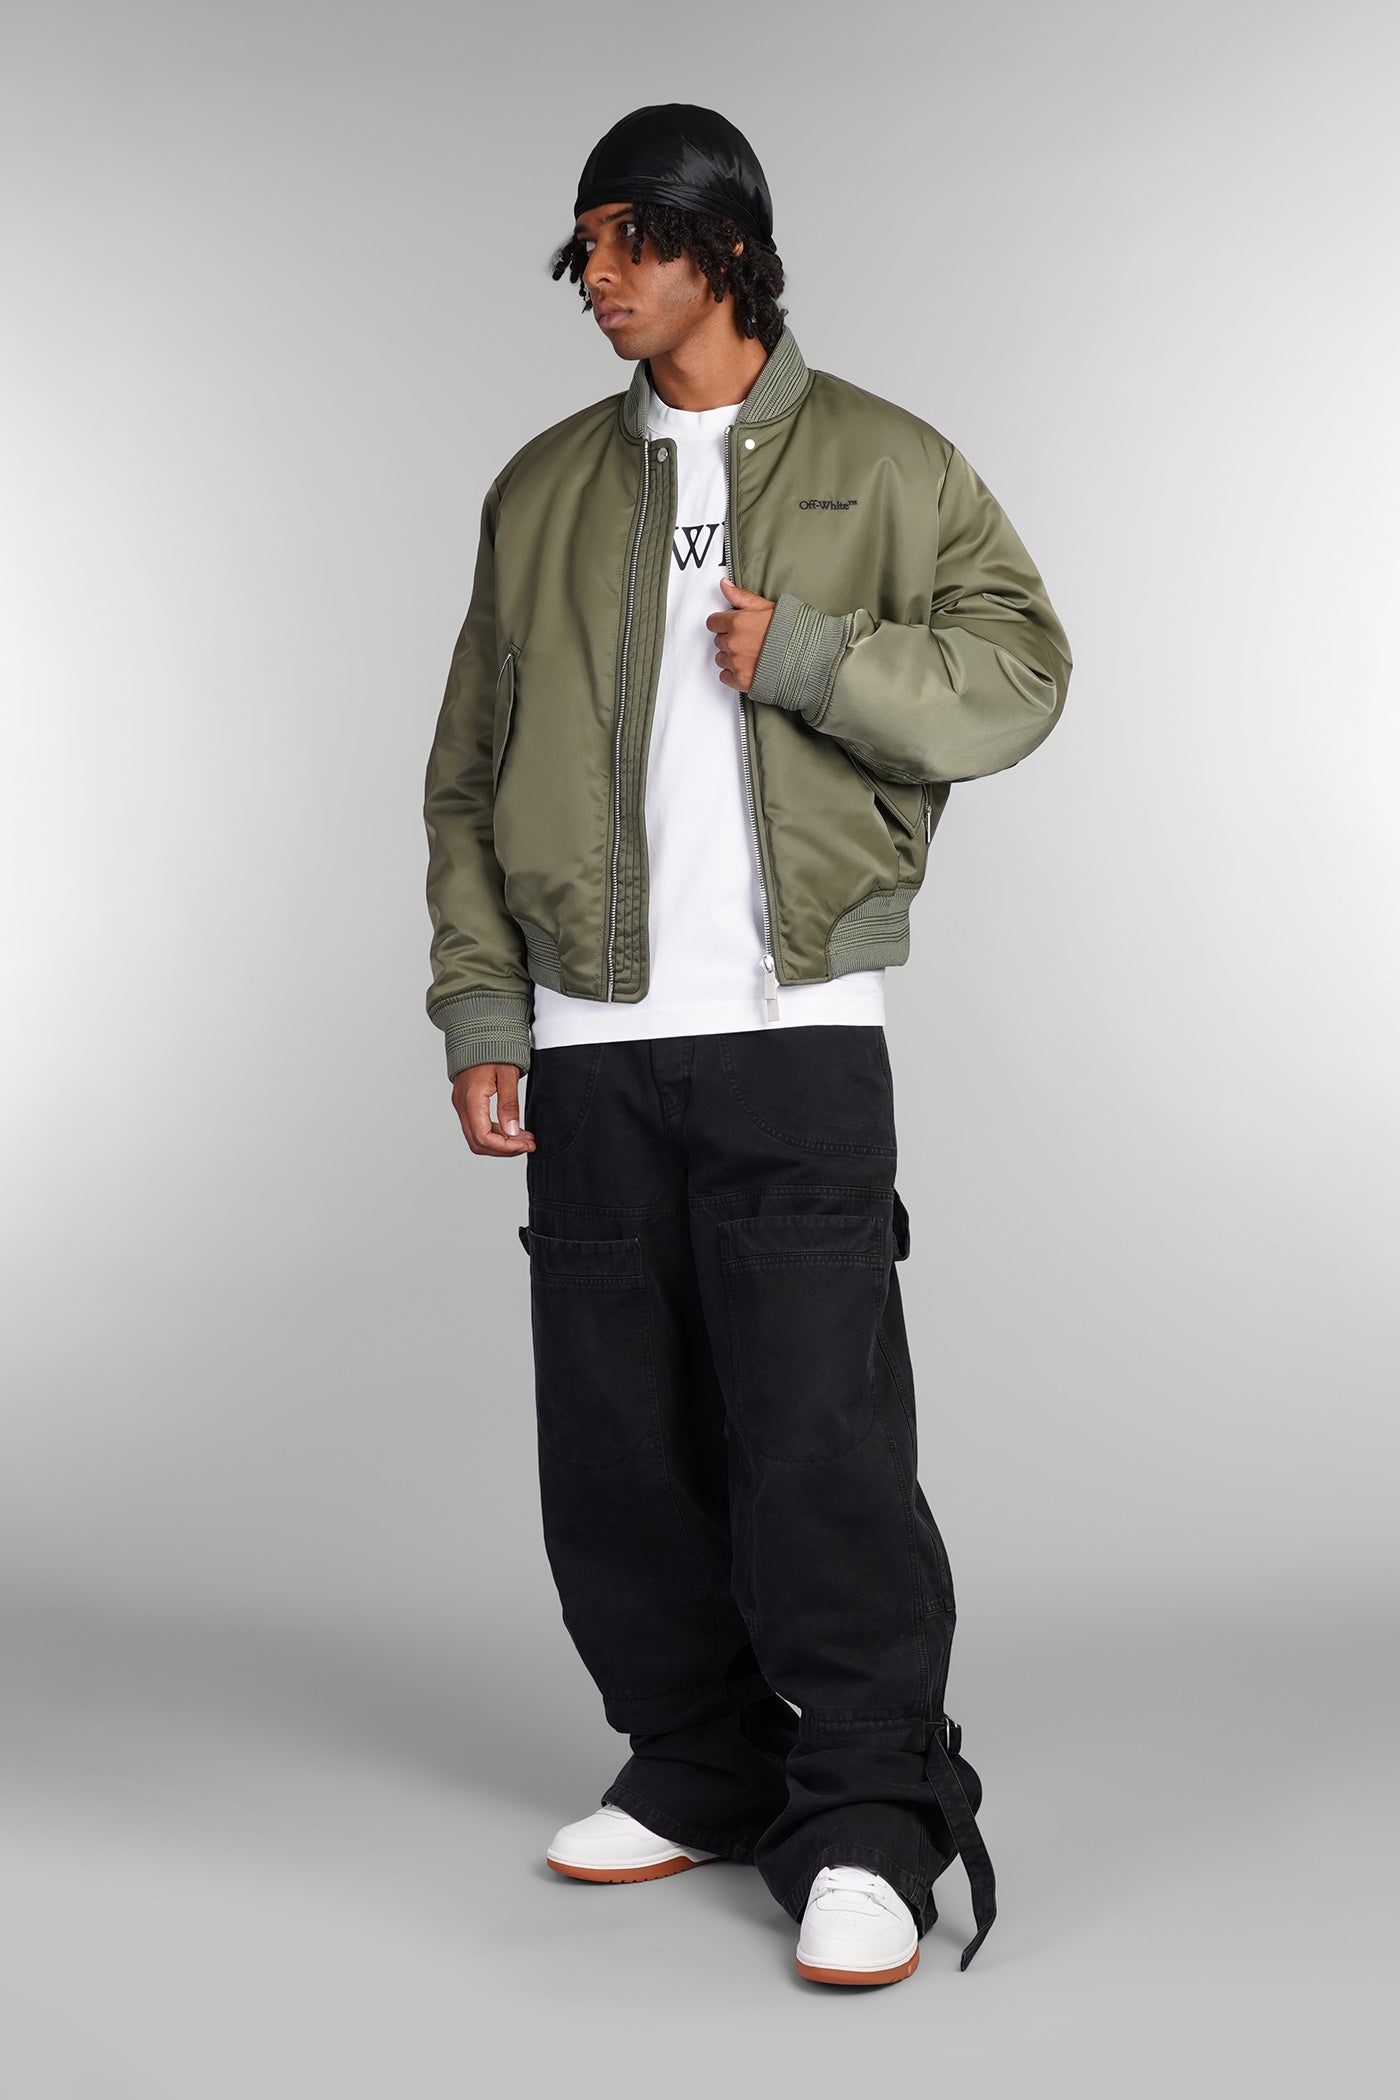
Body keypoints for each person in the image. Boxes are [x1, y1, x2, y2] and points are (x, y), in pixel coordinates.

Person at [423, 103, 1071, 1987]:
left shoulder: (886, 459)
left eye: (627, 238)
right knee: (616, 1449)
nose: (595, 276)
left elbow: (1021, 676)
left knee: (819, 1446)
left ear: (726, 244)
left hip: (795, 1029)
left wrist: (812, 658)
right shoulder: (542, 488)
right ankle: (698, 1762)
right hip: (589, 1034)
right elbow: (466, 773)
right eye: (583, 246)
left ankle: (867, 1812)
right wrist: (484, 1004)